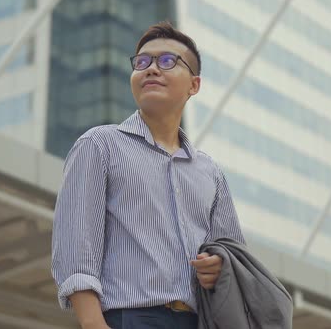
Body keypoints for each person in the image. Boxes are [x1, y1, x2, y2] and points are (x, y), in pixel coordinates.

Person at [51, 21, 245, 329]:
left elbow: (235, 257)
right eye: (142, 62)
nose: (151, 69)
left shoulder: (210, 172)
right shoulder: (99, 146)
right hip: (129, 318)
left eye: (167, 61)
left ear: (194, 85)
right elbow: (75, 249)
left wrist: (219, 266)